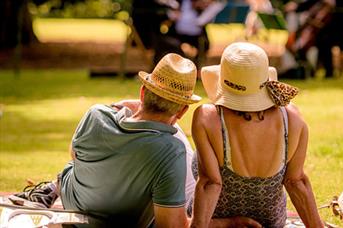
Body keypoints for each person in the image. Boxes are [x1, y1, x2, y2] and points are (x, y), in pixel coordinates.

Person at [9, 53, 262, 228]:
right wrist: (228, 223)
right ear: (183, 111)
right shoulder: (171, 150)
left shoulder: (95, 114)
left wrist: (127, 110)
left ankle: (51, 188)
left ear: (142, 91)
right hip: (121, 218)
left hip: (75, 202)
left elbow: (76, 155)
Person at [190, 42, 324, 227]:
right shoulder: (292, 118)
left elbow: (210, 183)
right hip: (270, 222)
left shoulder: (207, 118)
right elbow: (296, 181)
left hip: (217, 221)